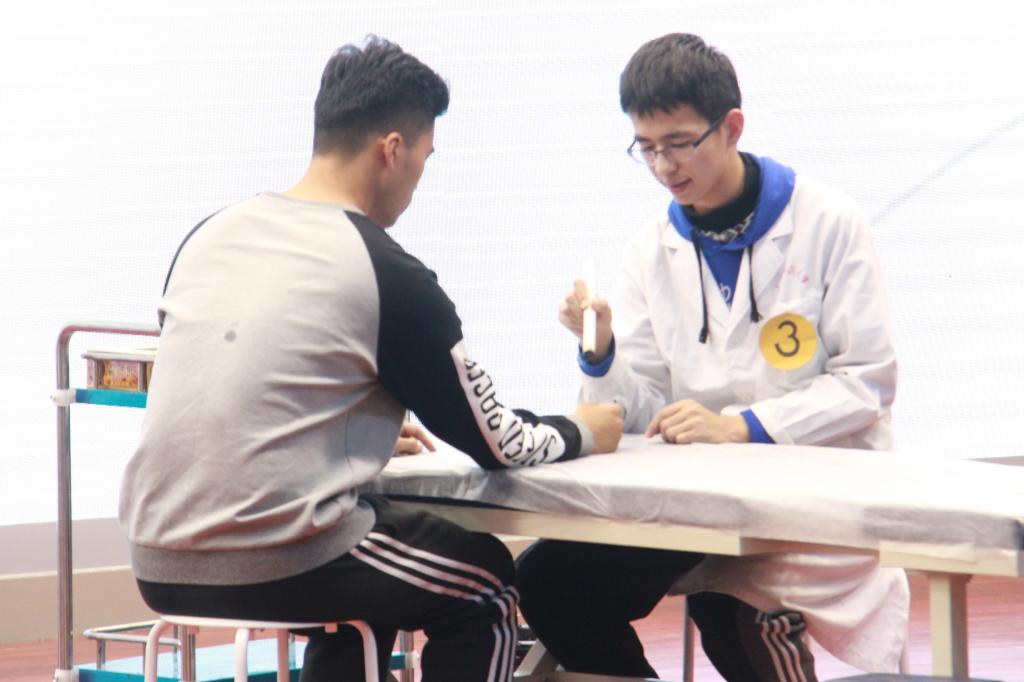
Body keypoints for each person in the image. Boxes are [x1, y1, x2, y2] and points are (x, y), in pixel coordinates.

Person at [118, 36, 623, 682]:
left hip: (155, 557)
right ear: (392, 151)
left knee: (374, 558)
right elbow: (499, 443)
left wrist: (347, 436)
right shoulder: (384, 269)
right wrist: (584, 430)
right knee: (487, 584)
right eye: (424, 160)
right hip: (281, 557)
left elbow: (237, 386)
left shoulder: (209, 235)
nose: (418, 183)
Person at [515, 33, 908, 681]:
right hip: (699, 503)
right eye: (646, 147)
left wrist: (742, 426)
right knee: (552, 581)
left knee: (734, 617)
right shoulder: (650, 249)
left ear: (731, 127)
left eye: (678, 143)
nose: (663, 167)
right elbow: (641, 410)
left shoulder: (828, 222)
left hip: (809, 498)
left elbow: (867, 382)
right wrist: (601, 353)